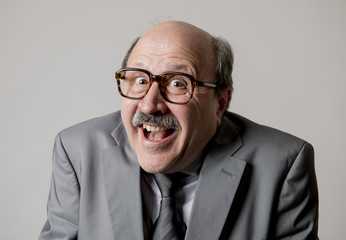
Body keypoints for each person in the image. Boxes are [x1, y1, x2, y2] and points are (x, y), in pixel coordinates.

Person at [39, 21, 319, 240]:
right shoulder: (75, 150)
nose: (149, 104)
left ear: (220, 103)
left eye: (177, 83)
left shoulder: (284, 164)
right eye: (138, 79)